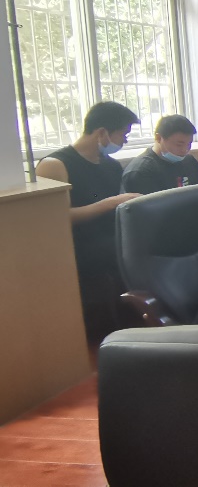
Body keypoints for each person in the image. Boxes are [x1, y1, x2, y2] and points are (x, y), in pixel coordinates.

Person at [36, 102, 141, 341]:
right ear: (102, 132)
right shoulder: (56, 165)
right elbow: (56, 218)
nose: (124, 141)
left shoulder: (111, 166)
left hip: (111, 241)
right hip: (78, 248)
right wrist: (109, 203)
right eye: (123, 135)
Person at [121, 114, 198, 195]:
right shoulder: (140, 171)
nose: (185, 150)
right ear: (158, 138)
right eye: (179, 145)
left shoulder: (189, 161)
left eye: (189, 144)